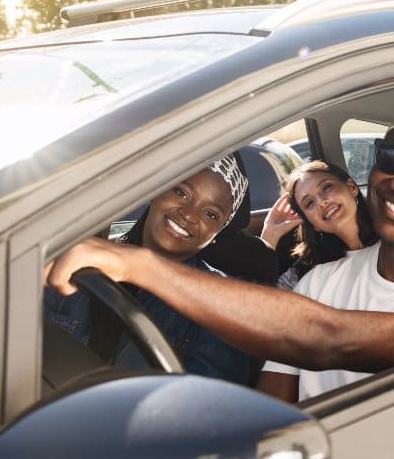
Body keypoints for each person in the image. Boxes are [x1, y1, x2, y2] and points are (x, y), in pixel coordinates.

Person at [44, 95, 394, 402]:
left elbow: (330, 339)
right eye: (393, 159)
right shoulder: (320, 281)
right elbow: (274, 406)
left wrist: (141, 266)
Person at [43, 155, 257, 385]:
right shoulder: (82, 256)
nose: (189, 214)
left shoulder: (218, 305)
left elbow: (205, 407)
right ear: (156, 190)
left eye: (211, 214)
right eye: (181, 193)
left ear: (216, 235)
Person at [259, 160, 378, 291]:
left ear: (352, 187)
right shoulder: (309, 273)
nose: (322, 202)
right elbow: (262, 302)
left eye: (326, 188)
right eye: (309, 203)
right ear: (312, 223)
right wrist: (268, 238)